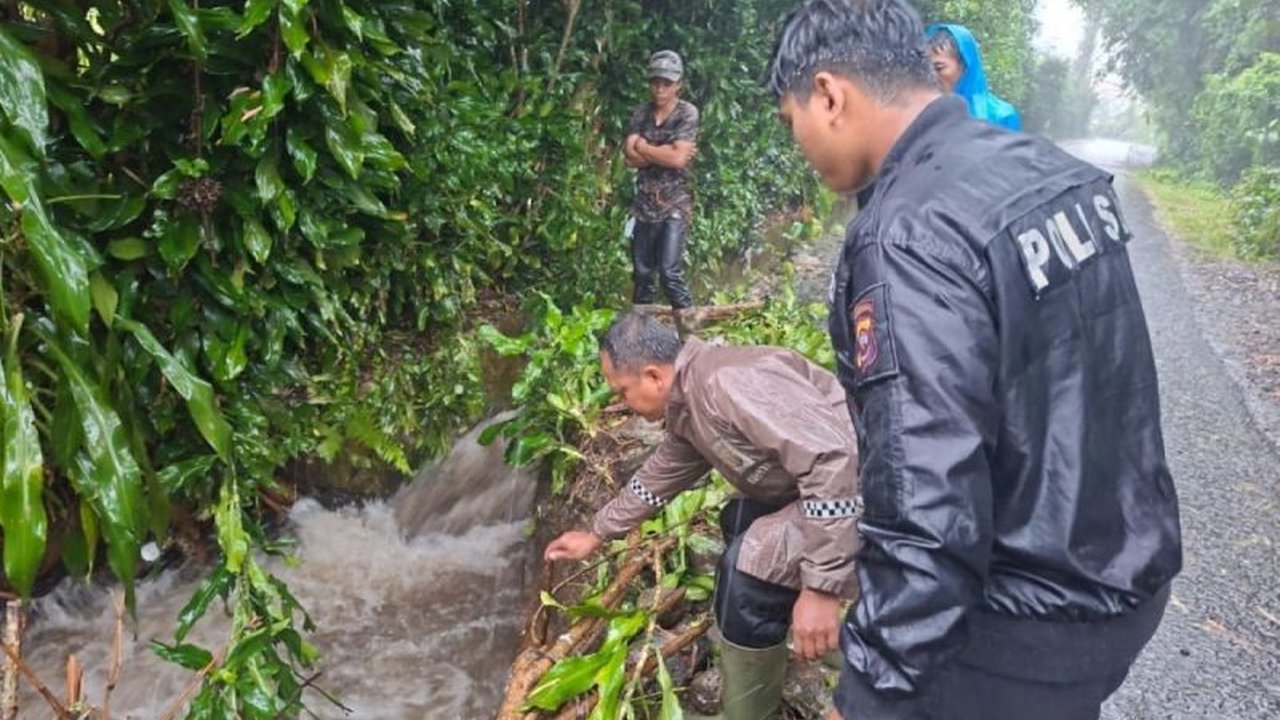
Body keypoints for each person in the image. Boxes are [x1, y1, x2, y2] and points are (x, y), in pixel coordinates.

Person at [766, 2, 1182, 719]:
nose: (798, 144)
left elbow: (926, 497)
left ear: (829, 94)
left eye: (791, 119)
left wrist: (870, 689)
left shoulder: (907, 232)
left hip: (1025, 627)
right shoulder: (1048, 169)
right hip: (1129, 575)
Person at [544, 312, 861, 720]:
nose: (621, 404)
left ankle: (756, 706)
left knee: (746, 572)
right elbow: (659, 477)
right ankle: (795, 636)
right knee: (739, 519)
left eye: (622, 392)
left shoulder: (724, 384)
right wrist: (598, 532)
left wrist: (821, 588)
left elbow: (833, 460)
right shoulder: (691, 399)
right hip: (831, 486)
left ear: (654, 376)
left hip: (867, 492)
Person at [624, 51, 699, 313]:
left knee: (669, 272)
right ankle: (641, 336)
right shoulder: (641, 114)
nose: (659, 89)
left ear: (678, 84)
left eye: (666, 84)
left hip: (674, 202)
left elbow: (678, 160)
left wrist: (645, 146)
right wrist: (664, 151)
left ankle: (691, 334)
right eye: (655, 82)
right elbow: (630, 157)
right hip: (644, 203)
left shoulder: (686, 113)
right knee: (643, 275)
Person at [925, 23, 1022, 130]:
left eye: (938, 68)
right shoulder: (924, 116)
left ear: (965, 66)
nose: (930, 75)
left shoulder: (1001, 116)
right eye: (926, 68)